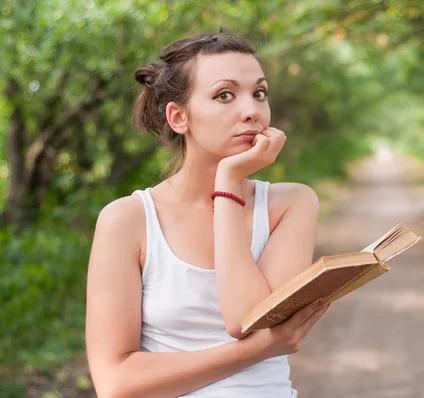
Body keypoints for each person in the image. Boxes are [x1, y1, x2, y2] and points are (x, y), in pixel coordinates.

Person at [85, 31, 329, 397]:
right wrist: (259, 350)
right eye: (224, 95)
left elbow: (244, 316)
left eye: (259, 93)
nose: (252, 111)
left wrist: (229, 181)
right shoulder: (128, 220)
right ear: (179, 117)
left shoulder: (291, 204)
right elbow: (116, 383)